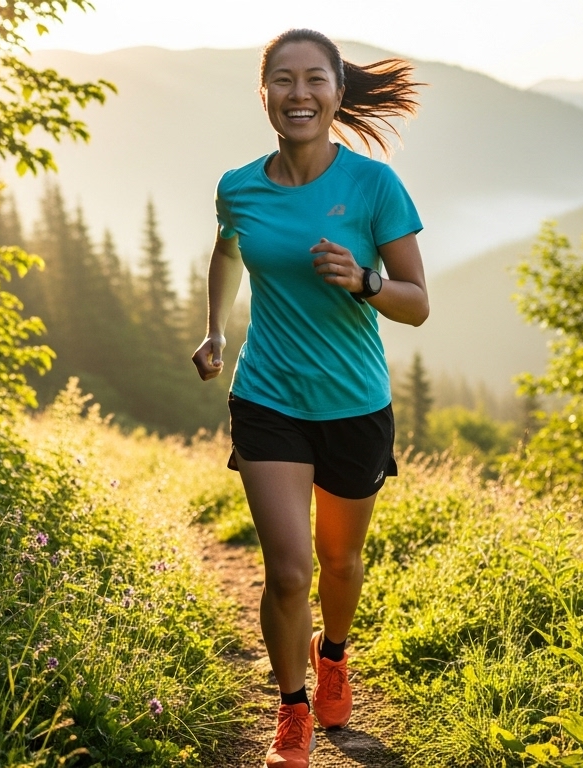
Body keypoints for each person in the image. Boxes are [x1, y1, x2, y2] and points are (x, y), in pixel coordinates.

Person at [190, 28, 428, 768]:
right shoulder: (239, 186)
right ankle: (291, 709)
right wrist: (216, 335)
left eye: (315, 80)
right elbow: (228, 251)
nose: (299, 94)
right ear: (264, 94)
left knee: (340, 564)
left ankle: (334, 654)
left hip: (355, 404)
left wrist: (366, 281)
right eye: (284, 81)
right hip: (268, 398)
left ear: (338, 92)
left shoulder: (374, 187)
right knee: (289, 570)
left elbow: (418, 304)